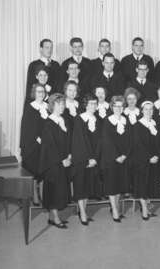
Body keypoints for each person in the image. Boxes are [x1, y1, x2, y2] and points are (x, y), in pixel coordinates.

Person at [38, 93, 72, 229]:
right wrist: (61, 160)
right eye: (59, 104)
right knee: (54, 191)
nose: (62, 106)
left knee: (61, 190)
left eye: (63, 104)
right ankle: (55, 218)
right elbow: (49, 147)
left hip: (65, 161)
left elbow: (68, 140)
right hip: (53, 163)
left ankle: (54, 217)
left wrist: (69, 156)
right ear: (52, 106)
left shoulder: (63, 120)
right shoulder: (48, 123)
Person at [71, 94, 103, 225]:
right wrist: (88, 159)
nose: (93, 106)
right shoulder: (79, 119)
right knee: (80, 185)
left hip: (94, 159)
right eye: (91, 104)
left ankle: (83, 210)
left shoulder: (98, 120)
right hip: (82, 159)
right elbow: (79, 141)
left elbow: (100, 141)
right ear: (85, 105)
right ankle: (82, 212)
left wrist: (95, 158)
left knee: (87, 186)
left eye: (95, 103)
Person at [100, 96, 131, 222]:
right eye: (116, 106)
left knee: (120, 185)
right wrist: (116, 156)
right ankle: (115, 210)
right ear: (112, 107)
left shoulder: (126, 120)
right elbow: (107, 142)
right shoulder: (107, 121)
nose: (118, 108)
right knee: (112, 185)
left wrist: (124, 155)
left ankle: (115, 208)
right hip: (111, 159)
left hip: (123, 159)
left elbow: (130, 140)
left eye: (121, 106)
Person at [20, 83, 49, 206]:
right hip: (33, 145)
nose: (41, 94)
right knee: (33, 170)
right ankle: (35, 196)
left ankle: (43, 194)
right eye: (38, 92)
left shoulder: (48, 107)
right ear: (34, 93)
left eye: (42, 92)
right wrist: (37, 138)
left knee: (44, 170)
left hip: (46, 144)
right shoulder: (30, 107)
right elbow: (27, 127)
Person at [132, 101, 160, 220]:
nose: (149, 111)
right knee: (142, 185)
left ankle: (147, 208)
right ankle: (144, 209)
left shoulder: (155, 124)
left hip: (154, 160)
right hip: (142, 161)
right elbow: (138, 145)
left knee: (149, 185)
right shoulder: (137, 126)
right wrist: (149, 157)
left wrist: (157, 155)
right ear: (142, 111)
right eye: (146, 109)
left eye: (151, 109)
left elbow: (158, 143)